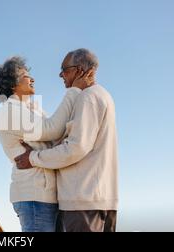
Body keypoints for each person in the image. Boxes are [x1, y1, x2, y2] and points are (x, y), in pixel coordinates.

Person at [14, 49, 119, 232]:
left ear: (79, 70)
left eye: (65, 69)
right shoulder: (101, 95)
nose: (60, 74)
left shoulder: (88, 98)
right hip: (96, 200)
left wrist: (33, 158)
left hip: (83, 203)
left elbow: (75, 148)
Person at [0, 56, 91, 232]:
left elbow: (57, 136)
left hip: (45, 196)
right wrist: (74, 90)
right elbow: (53, 130)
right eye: (25, 75)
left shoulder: (31, 110)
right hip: (34, 197)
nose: (32, 79)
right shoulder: (9, 111)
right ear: (13, 84)